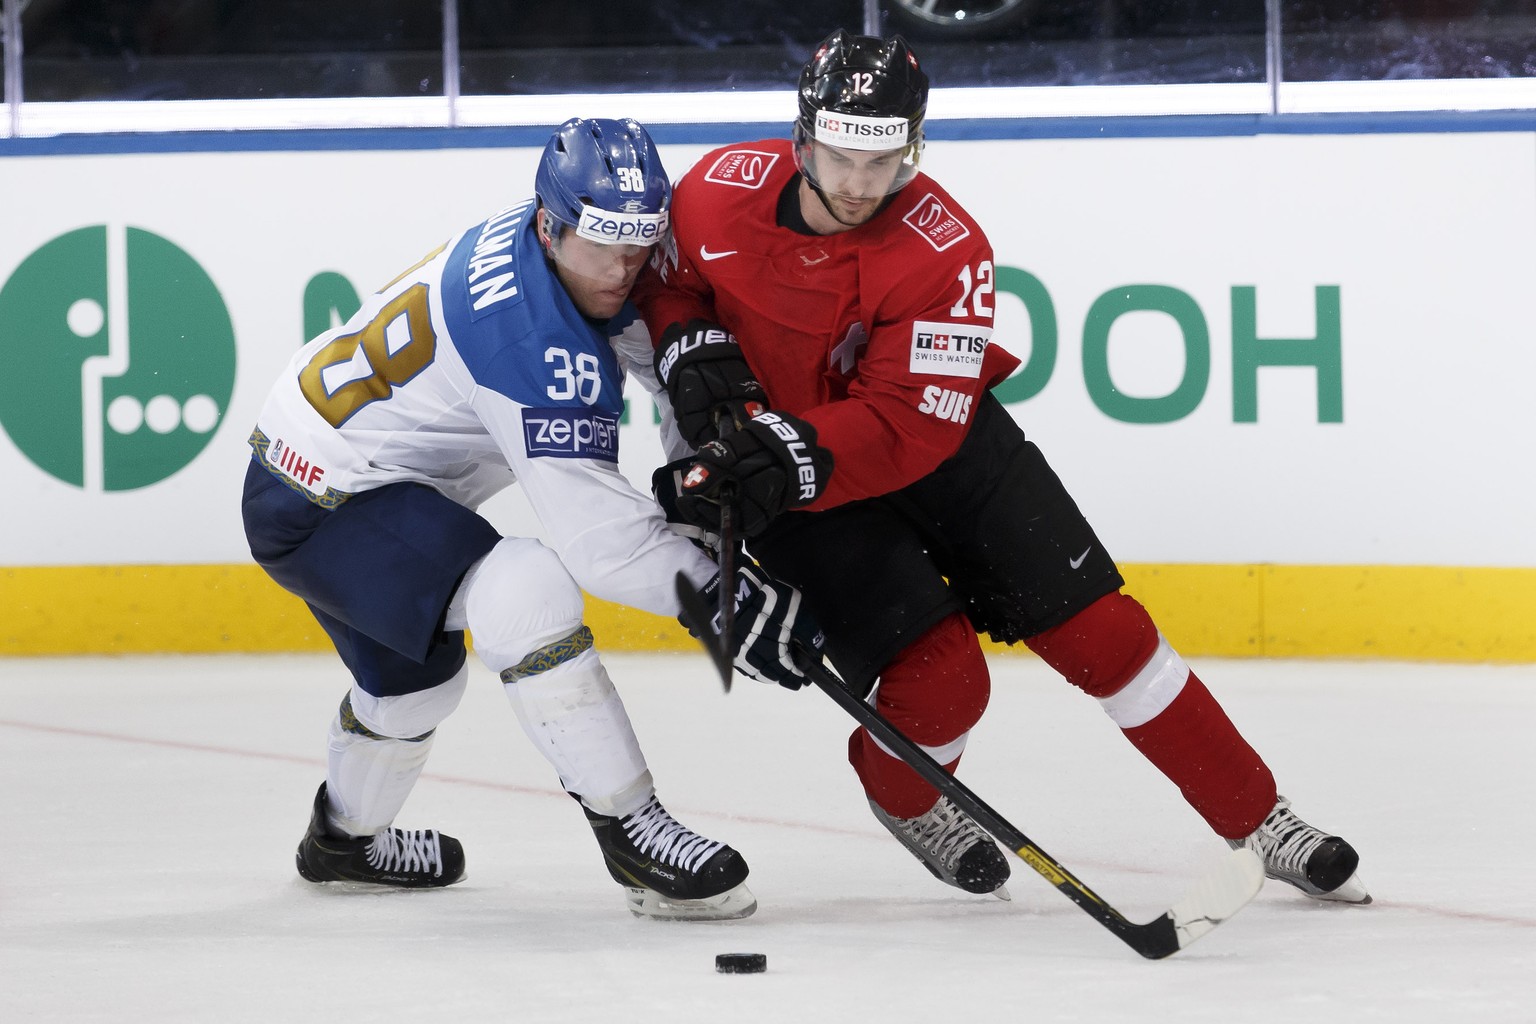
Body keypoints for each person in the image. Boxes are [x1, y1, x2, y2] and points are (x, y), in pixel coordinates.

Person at [635, 31, 1370, 905]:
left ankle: (1259, 817)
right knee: (943, 681)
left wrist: (785, 452)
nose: (861, 183)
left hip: (927, 443)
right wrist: (688, 339)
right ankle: (906, 798)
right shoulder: (714, 196)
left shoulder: (945, 249)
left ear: (914, 144)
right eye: (840, 155)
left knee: (1108, 636)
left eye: (885, 158)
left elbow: (909, 423)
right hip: (794, 484)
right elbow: (668, 281)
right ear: (800, 140)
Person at [240, 116, 818, 921]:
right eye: (607, 244)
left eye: (642, 241)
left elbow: (663, 362)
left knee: (414, 693)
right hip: (321, 500)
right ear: (549, 225)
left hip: (336, 470)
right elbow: (600, 546)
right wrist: (724, 601)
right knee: (525, 586)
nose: (628, 266)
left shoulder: (561, 250)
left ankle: (341, 841)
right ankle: (631, 829)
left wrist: (702, 458)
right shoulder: (529, 340)